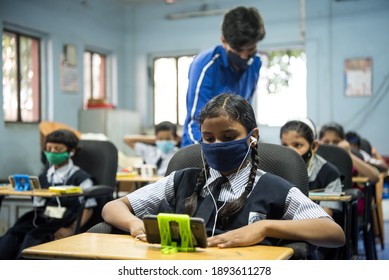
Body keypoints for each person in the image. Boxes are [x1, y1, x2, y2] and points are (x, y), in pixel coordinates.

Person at [103, 93, 345, 251]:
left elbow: (333, 233)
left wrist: (265, 227)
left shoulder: (274, 188)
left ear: (254, 137)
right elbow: (112, 207)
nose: (217, 144)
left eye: (228, 137)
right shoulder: (181, 180)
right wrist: (135, 225)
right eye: (209, 138)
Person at [0, 129, 95, 259]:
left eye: (58, 149)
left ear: (71, 151)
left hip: (65, 218)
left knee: (33, 237)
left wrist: (72, 229)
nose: (52, 152)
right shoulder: (43, 177)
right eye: (49, 148)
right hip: (42, 215)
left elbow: (88, 208)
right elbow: (38, 204)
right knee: (13, 234)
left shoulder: (81, 178)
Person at [181, 6, 266, 147]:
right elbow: (194, 123)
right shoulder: (205, 65)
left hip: (234, 146)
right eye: (238, 50)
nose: (244, 56)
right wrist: (210, 153)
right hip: (200, 147)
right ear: (224, 41)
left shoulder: (255, 63)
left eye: (250, 49)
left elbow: (245, 115)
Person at [280, 118, 343, 218]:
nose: (290, 152)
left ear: (314, 146)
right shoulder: (275, 169)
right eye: (284, 145)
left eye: (298, 145)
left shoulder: (329, 174)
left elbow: (324, 220)